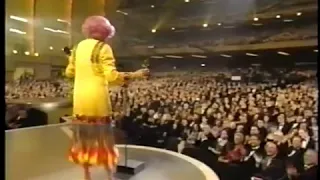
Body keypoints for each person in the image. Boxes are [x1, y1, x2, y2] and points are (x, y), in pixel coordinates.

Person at [65, 16, 149, 180]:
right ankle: (109, 176)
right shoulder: (103, 48)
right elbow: (111, 76)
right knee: (104, 141)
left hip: (80, 100)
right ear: (105, 32)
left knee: (84, 141)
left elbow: (69, 72)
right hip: (97, 100)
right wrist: (135, 75)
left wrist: (74, 60)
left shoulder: (78, 47)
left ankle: (87, 176)